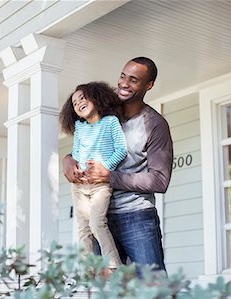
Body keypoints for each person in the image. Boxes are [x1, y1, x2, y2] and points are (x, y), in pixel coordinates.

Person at [63, 57, 173, 273]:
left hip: (136, 217)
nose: (124, 83)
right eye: (123, 76)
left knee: (153, 287)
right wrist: (67, 159)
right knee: (101, 288)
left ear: (148, 85)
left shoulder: (154, 124)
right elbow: (85, 147)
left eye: (133, 80)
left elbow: (160, 180)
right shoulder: (102, 110)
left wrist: (109, 176)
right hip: (98, 214)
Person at [59, 81, 127, 276]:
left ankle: (114, 266)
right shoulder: (80, 128)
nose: (79, 102)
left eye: (82, 97)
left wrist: (105, 168)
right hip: (80, 186)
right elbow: (77, 152)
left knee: (97, 223)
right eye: (74, 102)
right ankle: (87, 271)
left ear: (96, 98)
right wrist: (77, 168)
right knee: (83, 229)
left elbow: (121, 149)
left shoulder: (111, 122)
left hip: (100, 185)